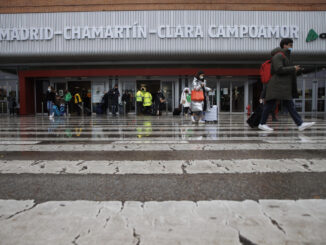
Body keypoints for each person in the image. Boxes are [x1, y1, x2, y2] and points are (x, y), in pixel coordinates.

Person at [258, 38, 315, 131]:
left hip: (282, 86)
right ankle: (262, 123)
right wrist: (293, 68)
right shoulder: (279, 56)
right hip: (277, 85)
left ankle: (300, 124)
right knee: (271, 104)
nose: (291, 47)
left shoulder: (285, 56)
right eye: (290, 45)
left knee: (288, 104)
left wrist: (294, 69)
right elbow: (278, 69)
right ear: (284, 45)